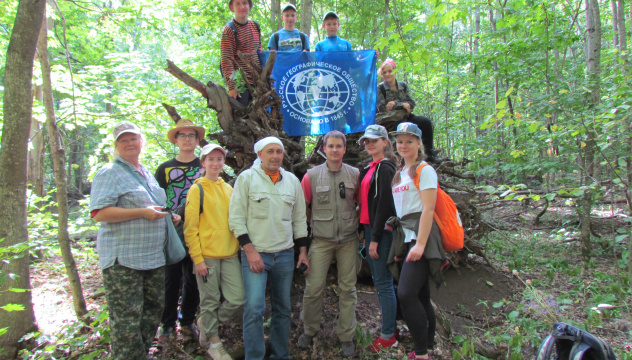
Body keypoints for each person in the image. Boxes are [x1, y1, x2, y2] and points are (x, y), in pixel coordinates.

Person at [90, 121, 180, 359]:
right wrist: (141, 213)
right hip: (124, 260)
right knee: (127, 322)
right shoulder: (109, 172)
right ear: (116, 145)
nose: (129, 143)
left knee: (152, 314)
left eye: (133, 138)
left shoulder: (146, 173)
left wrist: (168, 216)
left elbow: (152, 206)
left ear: (142, 141)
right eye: (123, 140)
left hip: (153, 257)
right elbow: (100, 213)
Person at [228, 137, 310, 360]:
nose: (275, 156)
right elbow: (235, 219)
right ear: (259, 155)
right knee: (254, 309)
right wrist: (250, 251)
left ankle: (280, 354)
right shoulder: (246, 179)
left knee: (283, 308)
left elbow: (300, 219)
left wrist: (302, 252)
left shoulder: (292, 181)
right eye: (270, 151)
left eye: (279, 152)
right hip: (256, 254)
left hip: (284, 254)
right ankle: (254, 356)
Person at [297, 131, 360, 358]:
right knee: (313, 288)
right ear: (323, 149)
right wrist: (309, 233)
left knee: (348, 289)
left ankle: (346, 336)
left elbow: (361, 205)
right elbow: (302, 208)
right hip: (321, 242)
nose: (334, 150)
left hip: (348, 241)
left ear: (344, 149)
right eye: (330, 146)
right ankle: (309, 330)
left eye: (339, 146)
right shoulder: (311, 176)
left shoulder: (355, 174)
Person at [184, 144, 244, 360]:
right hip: (206, 256)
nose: (216, 163)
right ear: (203, 163)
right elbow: (190, 228)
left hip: (229, 253)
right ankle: (213, 343)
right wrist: (197, 260)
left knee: (238, 298)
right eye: (211, 159)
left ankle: (205, 324)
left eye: (220, 159)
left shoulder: (228, 188)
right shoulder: (197, 189)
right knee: (209, 300)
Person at [390, 122, 439, 360]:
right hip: (406, 237)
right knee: (420, 295)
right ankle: (428, 346)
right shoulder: (400, 173)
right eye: (400, 141)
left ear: (419, 143)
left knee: (406, 293)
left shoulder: (425, 170)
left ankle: (421, 354)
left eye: (409, 141)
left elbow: (428, 209)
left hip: (422, 237)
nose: (404, 145)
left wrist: (420, 244)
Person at [154, 119, 205, 341]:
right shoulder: (164, 168)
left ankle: (186, 321)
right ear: (176, 140)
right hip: (172, 230)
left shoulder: (204, 166)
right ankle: (166, 324)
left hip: (198, 229)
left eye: (191, 136)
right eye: (182, 136)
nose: (187, 140)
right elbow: (157, 197)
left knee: (193, 277)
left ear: (197, 140)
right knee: (171, 278)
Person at [357, 124, 399, 352]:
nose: (369, 144)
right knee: (381, 281)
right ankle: (391, 327)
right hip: (369, 229)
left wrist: (375, 238)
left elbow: (385, 205)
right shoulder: (370, 167)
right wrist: (365, 234)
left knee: (383, 283)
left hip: (379, 232)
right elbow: (365, 205)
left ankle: (388, 335)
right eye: (367, 141)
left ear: (385, 142)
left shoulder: (385, 168)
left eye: (374, 140)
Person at [377, 58, 440, 163]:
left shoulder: (403, 85)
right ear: (382, 74)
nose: (388, 74)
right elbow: (383, 108)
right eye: (384, 72)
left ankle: (430, 154)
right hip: (390, 121)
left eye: (390, 71)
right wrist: (402, 105)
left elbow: (411, 104)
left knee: (425, 122)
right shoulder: (380, 88)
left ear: (395, 71)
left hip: (406, 117)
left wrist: (396, 104)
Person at [220, 0, 262, 106]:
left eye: (244, 3)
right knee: (241, 119)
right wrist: (232, 87)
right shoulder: (229, 30)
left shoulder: (255, 26)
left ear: (249, 5)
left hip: (257, 83)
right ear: (232, 7)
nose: (241, 7)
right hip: (240, 86)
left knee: (259, 119)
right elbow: (226, 59)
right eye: (237, 4)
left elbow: (258, 50)